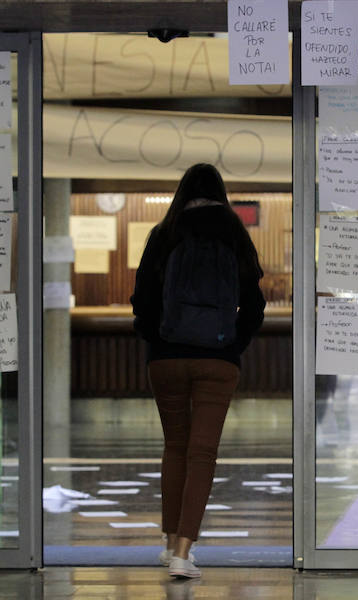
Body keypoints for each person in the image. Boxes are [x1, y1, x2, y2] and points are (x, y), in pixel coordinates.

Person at [131, 163, 265, 579]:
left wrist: (158, 340)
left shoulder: (164, 233)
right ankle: (183, 554)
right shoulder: (234, 234)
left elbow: (142, 301)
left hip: (166, 359)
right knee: (202, 452)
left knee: (175, 447)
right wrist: (232, 346)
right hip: (217, 361)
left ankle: (170, 542)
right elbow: (255, 306)